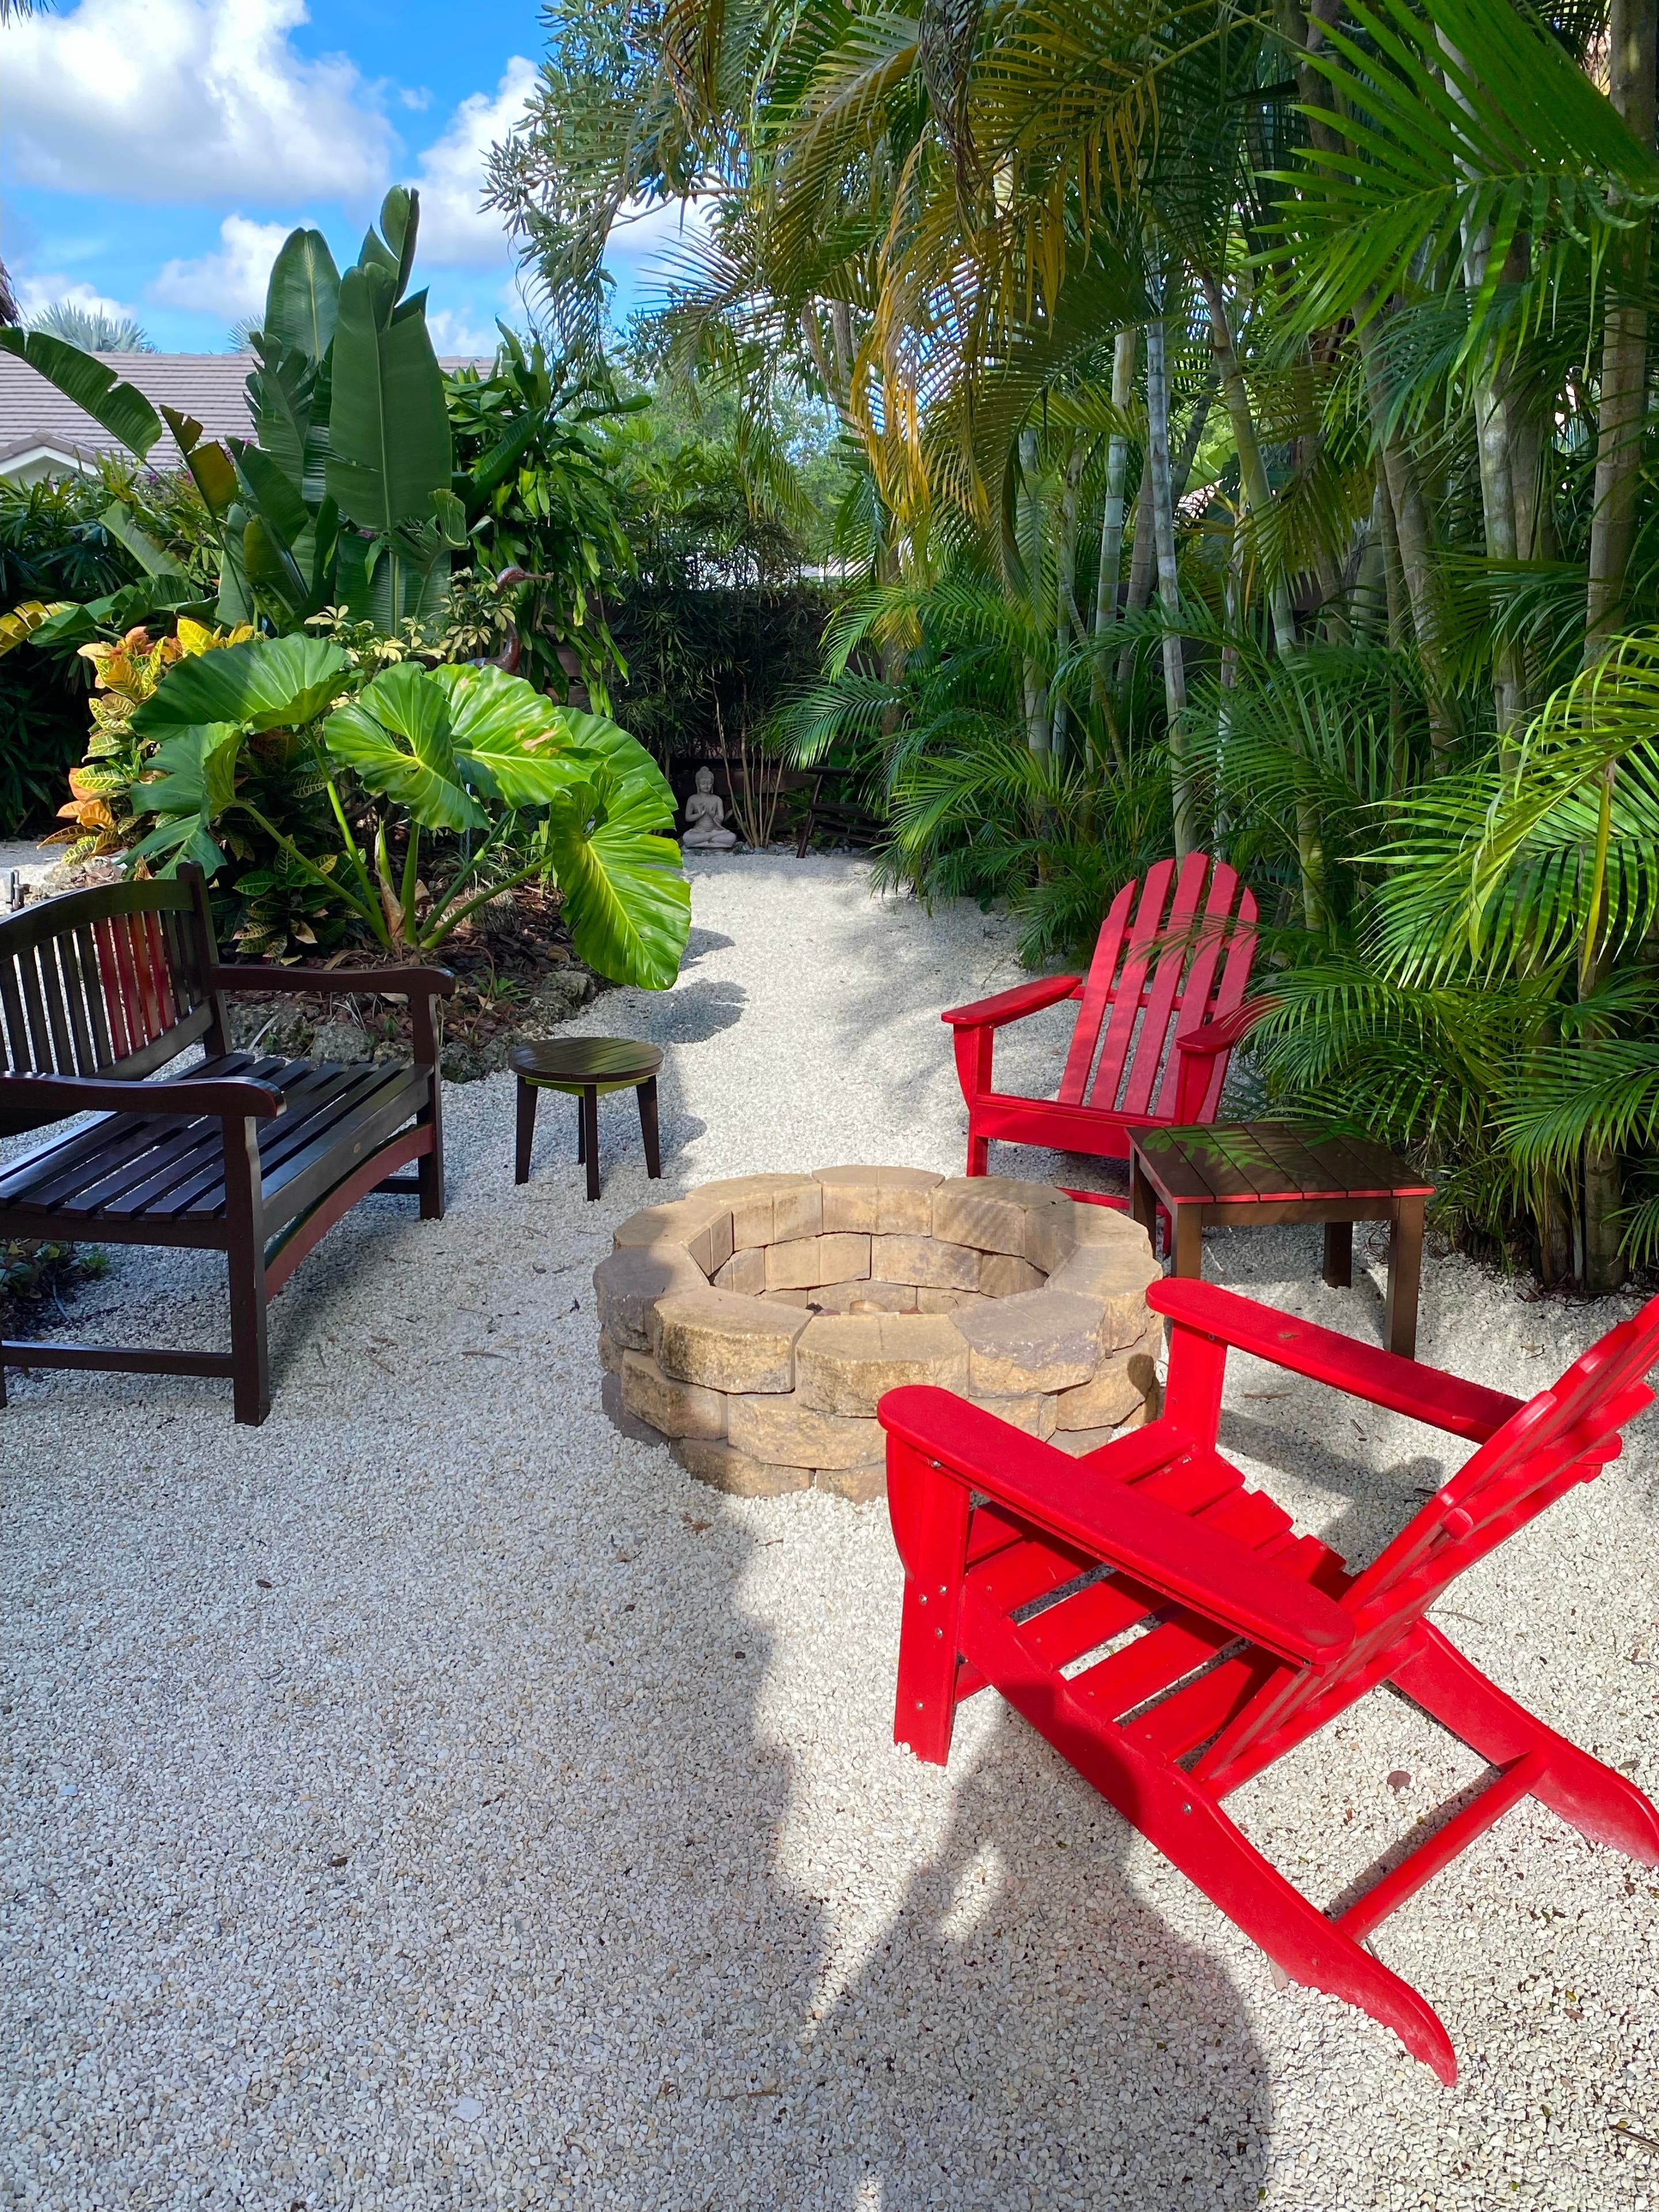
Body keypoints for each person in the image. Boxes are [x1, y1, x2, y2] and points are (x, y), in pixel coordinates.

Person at [681, 766, 738, 849]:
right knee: (687, 837)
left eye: (709, 783)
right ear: (698, 784)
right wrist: (700, 814)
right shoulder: (693, 799)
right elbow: (688, 818)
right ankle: (712, 840)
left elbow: (721, 818)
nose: (706, 786)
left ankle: (704, 842)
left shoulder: (717, 799)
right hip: (699, 831)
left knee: (731, 837)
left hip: (715, 830)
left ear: (712, 783)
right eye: (703, 784)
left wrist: (713, 815)